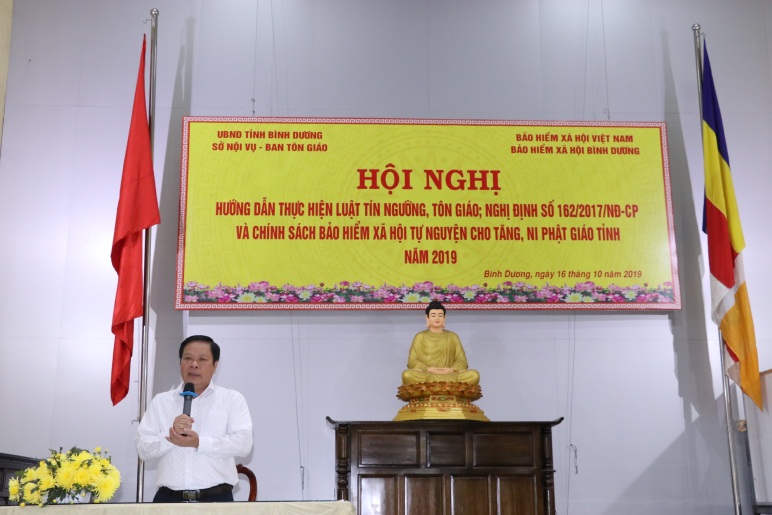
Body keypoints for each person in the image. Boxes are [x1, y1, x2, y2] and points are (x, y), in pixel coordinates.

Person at [136, 335, 253, 503]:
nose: (194, 364)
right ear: (180, 362)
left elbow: (243, 444)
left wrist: (199, 442)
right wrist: (171, 436)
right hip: (168, 500)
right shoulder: (161, 401)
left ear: (215, 366)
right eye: (188, 358)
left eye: (202, 359)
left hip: (217, 501)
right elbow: (143, 449)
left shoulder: (232, 399)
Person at [401, 301, 480, 385]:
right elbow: (412, 361)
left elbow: (462, 360)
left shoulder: (452, 336)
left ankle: (440, 386)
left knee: (474, 375)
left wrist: (452, 369)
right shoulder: (420, 336)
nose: (437, 318)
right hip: (428, 375)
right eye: (433, 315)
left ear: (444, 318)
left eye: (440, 315)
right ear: (427, 318)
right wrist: (427, 369)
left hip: (450, 375)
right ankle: (442, 386)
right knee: (407, 375)